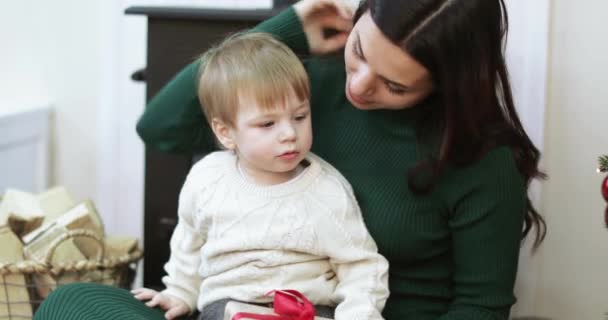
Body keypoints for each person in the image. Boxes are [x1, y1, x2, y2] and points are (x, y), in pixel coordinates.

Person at [34, 0, 546, 319]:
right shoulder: (302, 93)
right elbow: (160, 127)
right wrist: (288, 27)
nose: (360, 87)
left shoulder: (483, 160)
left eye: (395, 84)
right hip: (232, 309)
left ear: (448, 84)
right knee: (71, 304)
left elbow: (481, 307)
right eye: (361, 52)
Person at [132, 32, 389, 320]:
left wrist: (358, 314)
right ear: (225, 133)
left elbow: (361, 267)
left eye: (300, 117)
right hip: (230, 306)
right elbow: (189, 242)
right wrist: (180, 292)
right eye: (267, 124)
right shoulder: (207, 179)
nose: (289, 134)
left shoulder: (326, 191)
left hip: (306, 310)